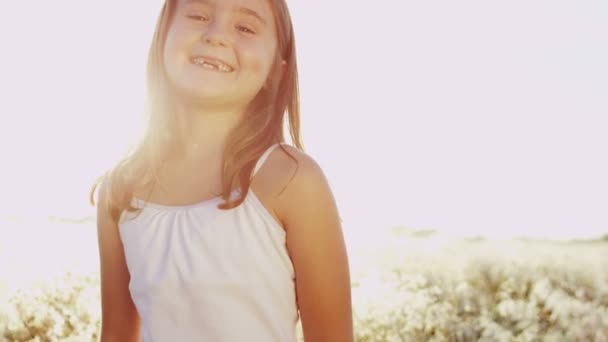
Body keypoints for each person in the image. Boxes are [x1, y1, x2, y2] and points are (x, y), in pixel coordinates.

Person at [90, 0, 354, 341]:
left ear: (277, 69)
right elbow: (116, 335)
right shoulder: (121, 190)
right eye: (198, 15)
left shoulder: (292, 181)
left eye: (245, 28)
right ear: (162, 37)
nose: (215, 36)